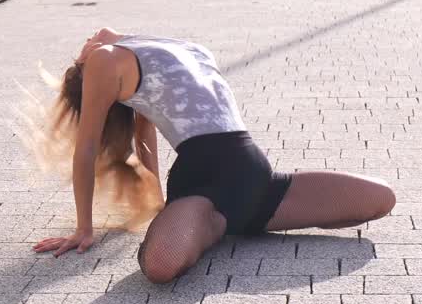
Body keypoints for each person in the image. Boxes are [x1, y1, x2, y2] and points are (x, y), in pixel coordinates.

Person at [32, 28, 395, 283]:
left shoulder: (129, 52)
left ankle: (217, 226)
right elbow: (92, 146)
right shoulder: (112, 59)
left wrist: (109, 38)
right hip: (201, 188)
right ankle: (210, 226)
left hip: (258, 184)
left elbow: (117, 136)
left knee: (381, 199)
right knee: (160, 267)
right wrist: (85, 228)